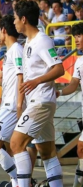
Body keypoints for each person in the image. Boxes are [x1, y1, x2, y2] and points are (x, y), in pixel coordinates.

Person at [11, 1, 65, 186]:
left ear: (24, 19)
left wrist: (37, 81)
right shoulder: (28, 41)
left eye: (15, 18)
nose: (14, 22)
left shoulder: (42, 40)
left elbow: (59, 69)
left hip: (40, 102)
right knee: (47, 152)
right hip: (40, 101)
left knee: (16, 144)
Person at [0, 15, 23, 187]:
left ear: (3, 30)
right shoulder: (11, 51)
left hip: (12, 107)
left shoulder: (16, 49)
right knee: (13, 148)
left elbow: (21, 76)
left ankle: (21, 181)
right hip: (9, 105)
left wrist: (17, 105)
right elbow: (4, 79)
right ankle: (17, 182)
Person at [56, 22, 83, 187]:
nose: (76, 40)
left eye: (79, 36)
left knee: (81, 148)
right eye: (75, 37)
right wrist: (58, 92)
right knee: (81, 149)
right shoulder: (79, 62)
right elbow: (74, 85)